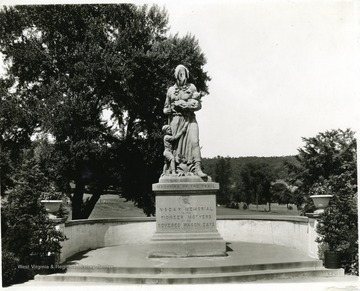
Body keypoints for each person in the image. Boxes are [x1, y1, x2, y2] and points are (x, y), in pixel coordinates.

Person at [163, 64, 207, 178]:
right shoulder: (171, 90)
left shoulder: (192, 87)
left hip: (190, 118)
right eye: (180, 73)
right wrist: (170, 109)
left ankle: (197, 168)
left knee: (194, 141)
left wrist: (187, 105)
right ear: (176, 75)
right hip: (176, 120)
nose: (182, 75)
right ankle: (175, 170)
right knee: (176, 147)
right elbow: (165, 108)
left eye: (184, 73)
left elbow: (198, 105)